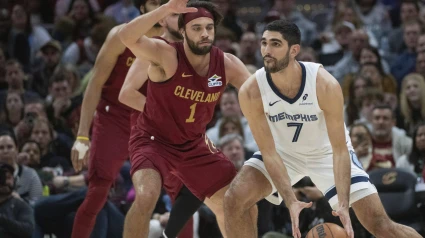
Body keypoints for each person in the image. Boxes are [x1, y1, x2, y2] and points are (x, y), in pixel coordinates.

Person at [223, 20, 422, 238]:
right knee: (234, 199)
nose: (267, 50)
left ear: (294, 50)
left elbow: (339, 149)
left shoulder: (324, 84)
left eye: (275, 44)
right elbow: (269, 152)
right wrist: (290, 200)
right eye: (264, 43)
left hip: (327, 154)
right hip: (282, 154)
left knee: (380, 225)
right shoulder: (251, 90)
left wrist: (344, 203)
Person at [118, 0, 254, 237]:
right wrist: (165, 9)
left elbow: (259, 95)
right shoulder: (165, 53)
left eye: (209, 28)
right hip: (154, 140)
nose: (204, 34)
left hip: (193, 144)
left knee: (238, 201)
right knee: (147, 194)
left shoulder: (227, 63)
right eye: (197, 28)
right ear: (183, 31)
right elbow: (126, 37)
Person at [70, 0, 199, 237]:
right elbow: (95, 84)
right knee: (97, 191)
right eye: (155, 3)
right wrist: (82, 135)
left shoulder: (177, 41)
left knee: (182, 192)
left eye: (165, 3)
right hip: (114, 118)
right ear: (142, 9)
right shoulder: (119, 35)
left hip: (152, 122)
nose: (162, 7)